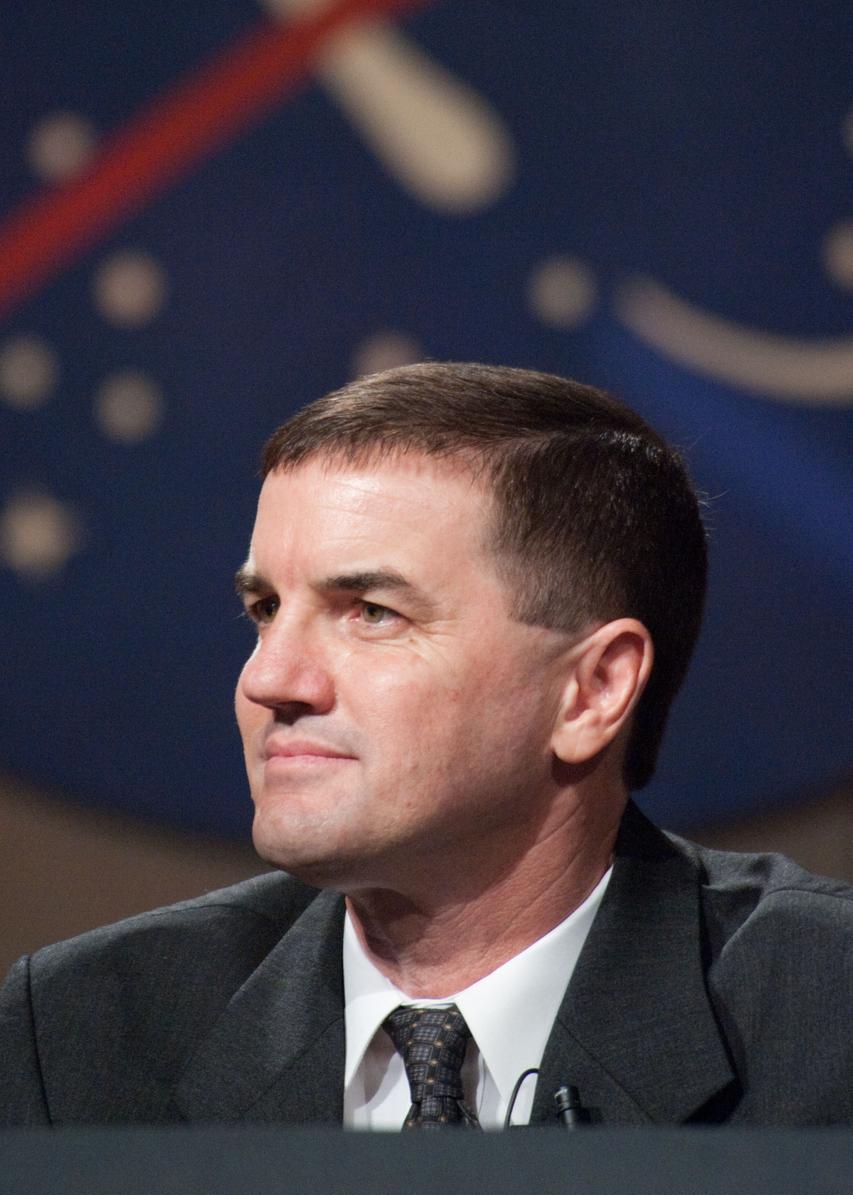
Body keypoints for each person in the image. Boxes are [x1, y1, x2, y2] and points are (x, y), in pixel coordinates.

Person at [1, 362, 851, 1127]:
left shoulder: (823, 1018)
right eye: (264, 611)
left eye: (372, 612)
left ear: (593, 690)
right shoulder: (79, 1032)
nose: (270, 680)